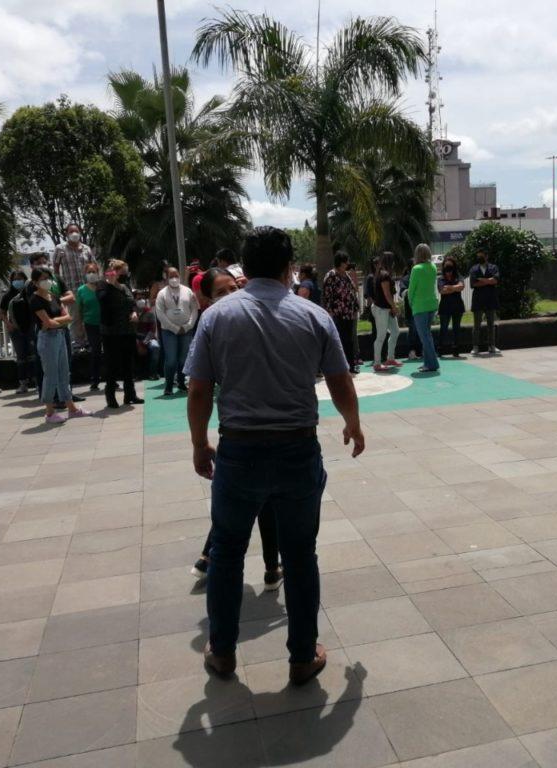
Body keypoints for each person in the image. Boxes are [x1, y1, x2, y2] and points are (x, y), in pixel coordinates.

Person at [184, 225, 364, 685]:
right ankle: (302, 656)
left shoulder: (217, 317)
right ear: (288, 268)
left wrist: (199, 443)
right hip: (296, 449)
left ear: (244, 266)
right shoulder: (313, 316)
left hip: (238, 450)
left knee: (227, 552)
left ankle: (223, 651)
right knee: (300, 555)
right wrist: (353, 423)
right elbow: (340, 381)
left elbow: (199, 389)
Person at [188, 268, 281, 586]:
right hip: (241, 430)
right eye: (222, 292)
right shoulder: (213, 323)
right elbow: (198, 390)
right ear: (206, 300)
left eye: (235, 287)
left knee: (252, 500)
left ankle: (218, 558)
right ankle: (259, 565)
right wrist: (199, 444)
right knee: (251, 502)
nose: (231, 296)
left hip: (261, 427)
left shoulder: (247, 314)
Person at [29, 267, 91, 423]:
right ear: (35, 282)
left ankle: (72, 409)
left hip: (60, 335)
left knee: (64, 372)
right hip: (47, 339)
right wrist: (54, 322)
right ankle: (49, 412)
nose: (47, 281)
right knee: (50, 375)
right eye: (43, 279)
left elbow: (68, 318)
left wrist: (55, 321)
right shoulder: (35, 300)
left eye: (48, 278)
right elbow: (47, 323)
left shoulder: (53, 296)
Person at [97, 260, 143, 409]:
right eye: (122, 271)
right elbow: (103, 301)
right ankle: (110, 396)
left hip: (127, 331)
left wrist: (134, 312)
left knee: (128, 364)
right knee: (112, 365)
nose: (124, 274)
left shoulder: (125, 286)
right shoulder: (103, 286)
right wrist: (110, 284)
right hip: (111, 332)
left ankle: (130, 395)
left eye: (125, 271)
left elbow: (132, 302)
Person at [156, 267, 199, 396]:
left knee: (183, 359)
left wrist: (188, 325)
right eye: (171, 276)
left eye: (176, 276)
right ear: (166, 278)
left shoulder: (188, 291)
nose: (174, 278)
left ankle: (181, 382)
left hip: (186, 330)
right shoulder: (162, 293)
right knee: (171, 360)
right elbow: (160, 313)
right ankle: (169, 386)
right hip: (169, 331)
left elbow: (194, 309)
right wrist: (174, 328)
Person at [53, 223, 96, 346]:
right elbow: (56, 268)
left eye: (76, 231)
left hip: (87, 289)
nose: (74, 234)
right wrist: (59, 287)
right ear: (66, 234)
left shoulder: (86, 249)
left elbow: (94, 266)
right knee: (75, 318)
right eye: (71, 231)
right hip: (71, 290)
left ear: (80, 232)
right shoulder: (60, 248)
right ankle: (78, 343)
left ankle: (89, 342)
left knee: (88, 315)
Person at [0, 270, 38, 394]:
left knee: (34, 355)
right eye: (15, 279)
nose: (17, 281)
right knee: (21, 357)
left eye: (20, 279)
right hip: (16, 329)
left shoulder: (30, 292)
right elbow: (1, 312)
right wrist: (8, 323)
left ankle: (37, 382)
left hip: (30, 328)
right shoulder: (8, 296)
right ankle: (23, 383)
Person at [322, 253, 361, 374]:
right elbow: (327, 295)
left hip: (348, 313)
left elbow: (354, 291)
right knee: (340, 340)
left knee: (349, 340)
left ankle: (351, 366)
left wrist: (355, 307)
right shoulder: (331, 275)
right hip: (337, 314)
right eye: (346, 262)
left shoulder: (346, 275)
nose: (347, 264)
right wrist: (329, 312)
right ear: (340, 262)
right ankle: (341, 367)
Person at [408, 244, 440, 373]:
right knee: (427, 335)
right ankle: (427, 362)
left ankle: (432, 364)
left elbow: (411, 289)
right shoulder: (433, 267)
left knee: (424, 337)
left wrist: (410, 302)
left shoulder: (416, 269)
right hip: (431, 304)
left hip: (420, 306)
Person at [371, 252, 401, 372]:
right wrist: (394, 307)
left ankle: (390, 358)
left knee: (395, 331)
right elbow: (387, 294)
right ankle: (377, 363)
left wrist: (392, 307)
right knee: (381, 336)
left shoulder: (382, 274)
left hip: (386, 309)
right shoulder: (384, 275)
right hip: (381, 309)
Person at [75, 263, 104, 390]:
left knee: (109, 351)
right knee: (95, 351)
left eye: (94, 271)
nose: (92, 274)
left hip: (106, 323)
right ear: (85, 274)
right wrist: (80, 325)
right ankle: (95, 379)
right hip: (90, 324)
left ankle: (112, 379)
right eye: (89, 272)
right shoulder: (81, 290)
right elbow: (79, 310)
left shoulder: (103, 286)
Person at [469, 247, 501, 355]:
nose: (479, 258)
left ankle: (492, 346)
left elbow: (495, 281)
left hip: (490, 299)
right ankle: (475, 347)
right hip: (478, 300)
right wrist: (488, 281)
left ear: (486, 256)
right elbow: (473, 284)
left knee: (491, 324)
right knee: (476, 325)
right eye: (478, 256)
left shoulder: (493, 267)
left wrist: (481, 280)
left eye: (481, 256)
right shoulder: (473, 269)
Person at [437, 255, 465, 358]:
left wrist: (450, 287)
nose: (449, 271)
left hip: (457, 306)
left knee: (456, 329)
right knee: (443, 329)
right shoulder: (441, 278)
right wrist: (455, 288)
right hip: (445, 307)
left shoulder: (458, 276)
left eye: (451, 268)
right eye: (447, 268)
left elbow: (461, 286)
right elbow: (442, 291)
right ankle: (440, 349)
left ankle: (456, 350)